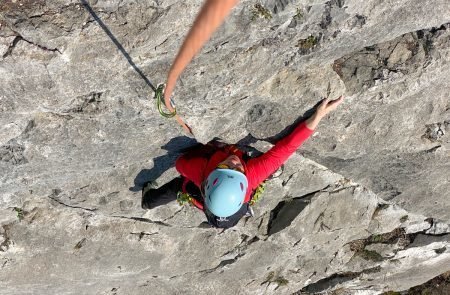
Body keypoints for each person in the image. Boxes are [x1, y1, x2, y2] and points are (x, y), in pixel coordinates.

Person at [142, 96, 344, 228]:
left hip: (210, 198)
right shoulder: (253, 175)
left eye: (227, 166)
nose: (234, 161)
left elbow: (180, 164)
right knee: (188, 189)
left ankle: (148, 201)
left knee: (182, 185)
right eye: (237, 168)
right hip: (230, 206)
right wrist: (317, 116)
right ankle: (151, 202)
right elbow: (286, 148)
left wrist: (206, 151)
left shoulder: (201, 171)